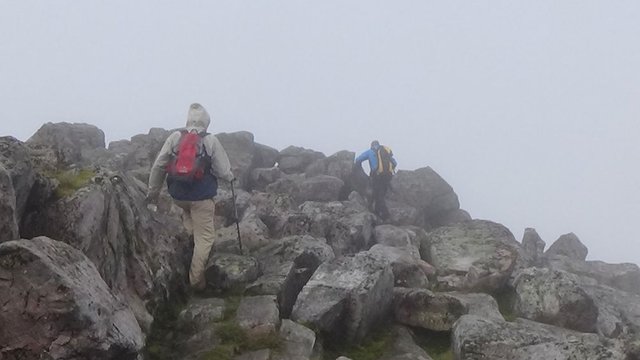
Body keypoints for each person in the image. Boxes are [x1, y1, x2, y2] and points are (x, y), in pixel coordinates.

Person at [146, 103, 235, 291]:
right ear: (207, 122)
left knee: (190, 228)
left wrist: (152, 194)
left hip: (178, 196)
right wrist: (230, 177)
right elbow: (222, 170)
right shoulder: (210, 140)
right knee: (205, 239)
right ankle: (197, 282)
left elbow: (159, 166)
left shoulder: (176, 137)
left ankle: (184, 262)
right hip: (201, 198)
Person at [354, 140, 397, 219]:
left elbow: (359, 159)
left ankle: (386, 215)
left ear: (372, 145)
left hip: (377, 176)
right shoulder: (385, 151)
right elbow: (395, 163)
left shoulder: (370, 152)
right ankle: (377, 213)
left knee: (378, 195)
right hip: (387, 176)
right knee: (380, 194)